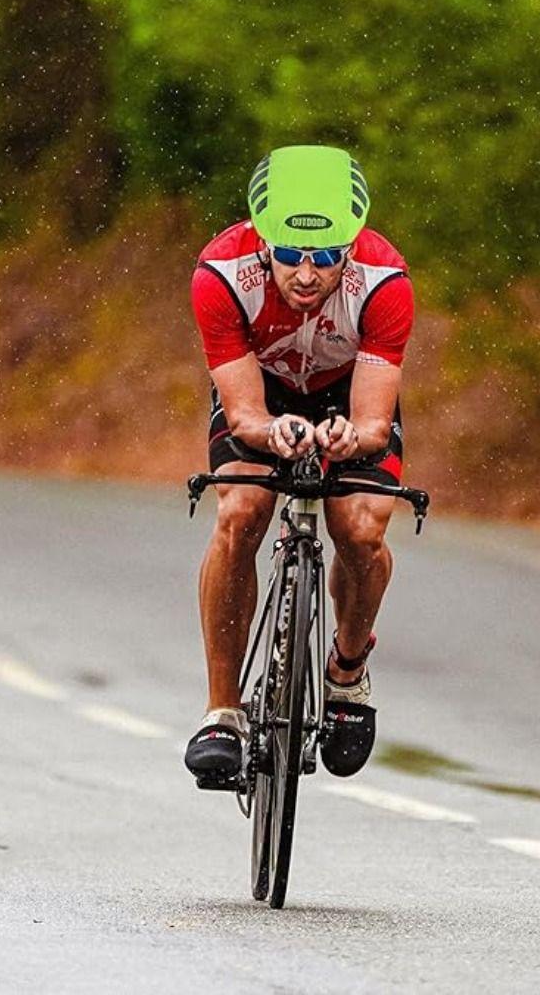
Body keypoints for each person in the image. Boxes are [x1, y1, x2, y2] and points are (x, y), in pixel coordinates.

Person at [183, 145, 414, 782]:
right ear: (263, 244)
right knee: (241, 511)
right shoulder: (221, 275)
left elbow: (372, 425)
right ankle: (223, 712)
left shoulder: (385, 281)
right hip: (262, 393)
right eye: (289, 253)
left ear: (351, 249)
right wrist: (270, 428)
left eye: (326, 256)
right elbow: (244, 416)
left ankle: (346, 672)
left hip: (347, 395)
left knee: (361, 528)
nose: (307, 273)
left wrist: (351, 437)